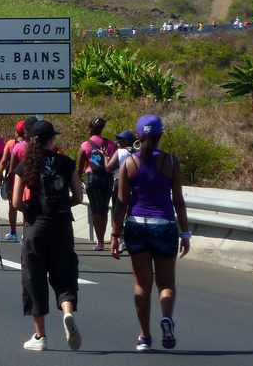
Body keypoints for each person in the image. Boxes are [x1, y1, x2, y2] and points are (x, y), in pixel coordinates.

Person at [110, 115, 191, 352]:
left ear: (138, 136)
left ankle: (144, 336)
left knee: (141, 285)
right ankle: (166, 317)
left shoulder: (129, 164)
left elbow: (122, 202)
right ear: (160, 136)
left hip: (137, 225)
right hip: (164, 225)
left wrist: (115, 234)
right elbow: (178, 200)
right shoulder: (171, 162)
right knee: (166, 283)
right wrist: (185, 233)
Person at [12, 120, 83, 352]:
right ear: (52, 140)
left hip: (36, 227)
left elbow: (15, 202)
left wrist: (32, 210)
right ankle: (67, 312)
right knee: (64, 272)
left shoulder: (26, 165)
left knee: (34, 279)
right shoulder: (66, 162)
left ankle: (40, 336)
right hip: (62, 225)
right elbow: (79, 196)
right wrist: (64, 204)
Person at [77, 117, 117, 251]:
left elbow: (79, 167)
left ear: (90, 129)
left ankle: (99, 241)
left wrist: (77, 181)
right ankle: (103, 239)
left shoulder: (85, 145)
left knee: (95, 209)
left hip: (92, 178)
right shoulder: (111, 144)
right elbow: (115, 164)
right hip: (107, 177)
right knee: (104, 208)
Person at [0, 120, 27, 242]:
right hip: (29, 179)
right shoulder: (31, 144)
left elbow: (3, 162)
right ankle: (26, 232)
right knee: (27, 205)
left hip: (14, 179)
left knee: (12, 206)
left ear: (16, 132)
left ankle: (13, 232)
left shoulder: (11, 144)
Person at [106, 130, 137, 222]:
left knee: (118, 212)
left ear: (127, 141)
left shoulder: (121, 151)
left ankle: (118, 232)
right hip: (134, 184)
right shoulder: (137, 152)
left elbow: (108, 168)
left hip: (120, 183)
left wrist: (105, 158)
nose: (117, 141)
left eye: (120, 139)